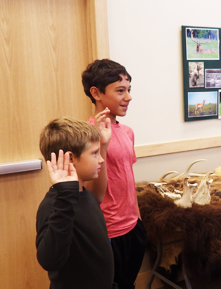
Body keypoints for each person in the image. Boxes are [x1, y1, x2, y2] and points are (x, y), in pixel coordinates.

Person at [82, 59, 147, 289]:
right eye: (120, 91)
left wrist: (138, 219)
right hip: (108, 232)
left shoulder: (127, 132)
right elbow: (94, 195)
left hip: (133, 227)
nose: (128, 97)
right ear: (96, 93)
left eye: (129, 90)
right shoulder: (86, 136)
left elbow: (127, 178)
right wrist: (102, 145)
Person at [36, 116, 115, 289]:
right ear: (71, 158)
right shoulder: (53, 207)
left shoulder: (88, 196)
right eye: (94, 153)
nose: (101, 159)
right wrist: (65, 199)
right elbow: (49, 260)